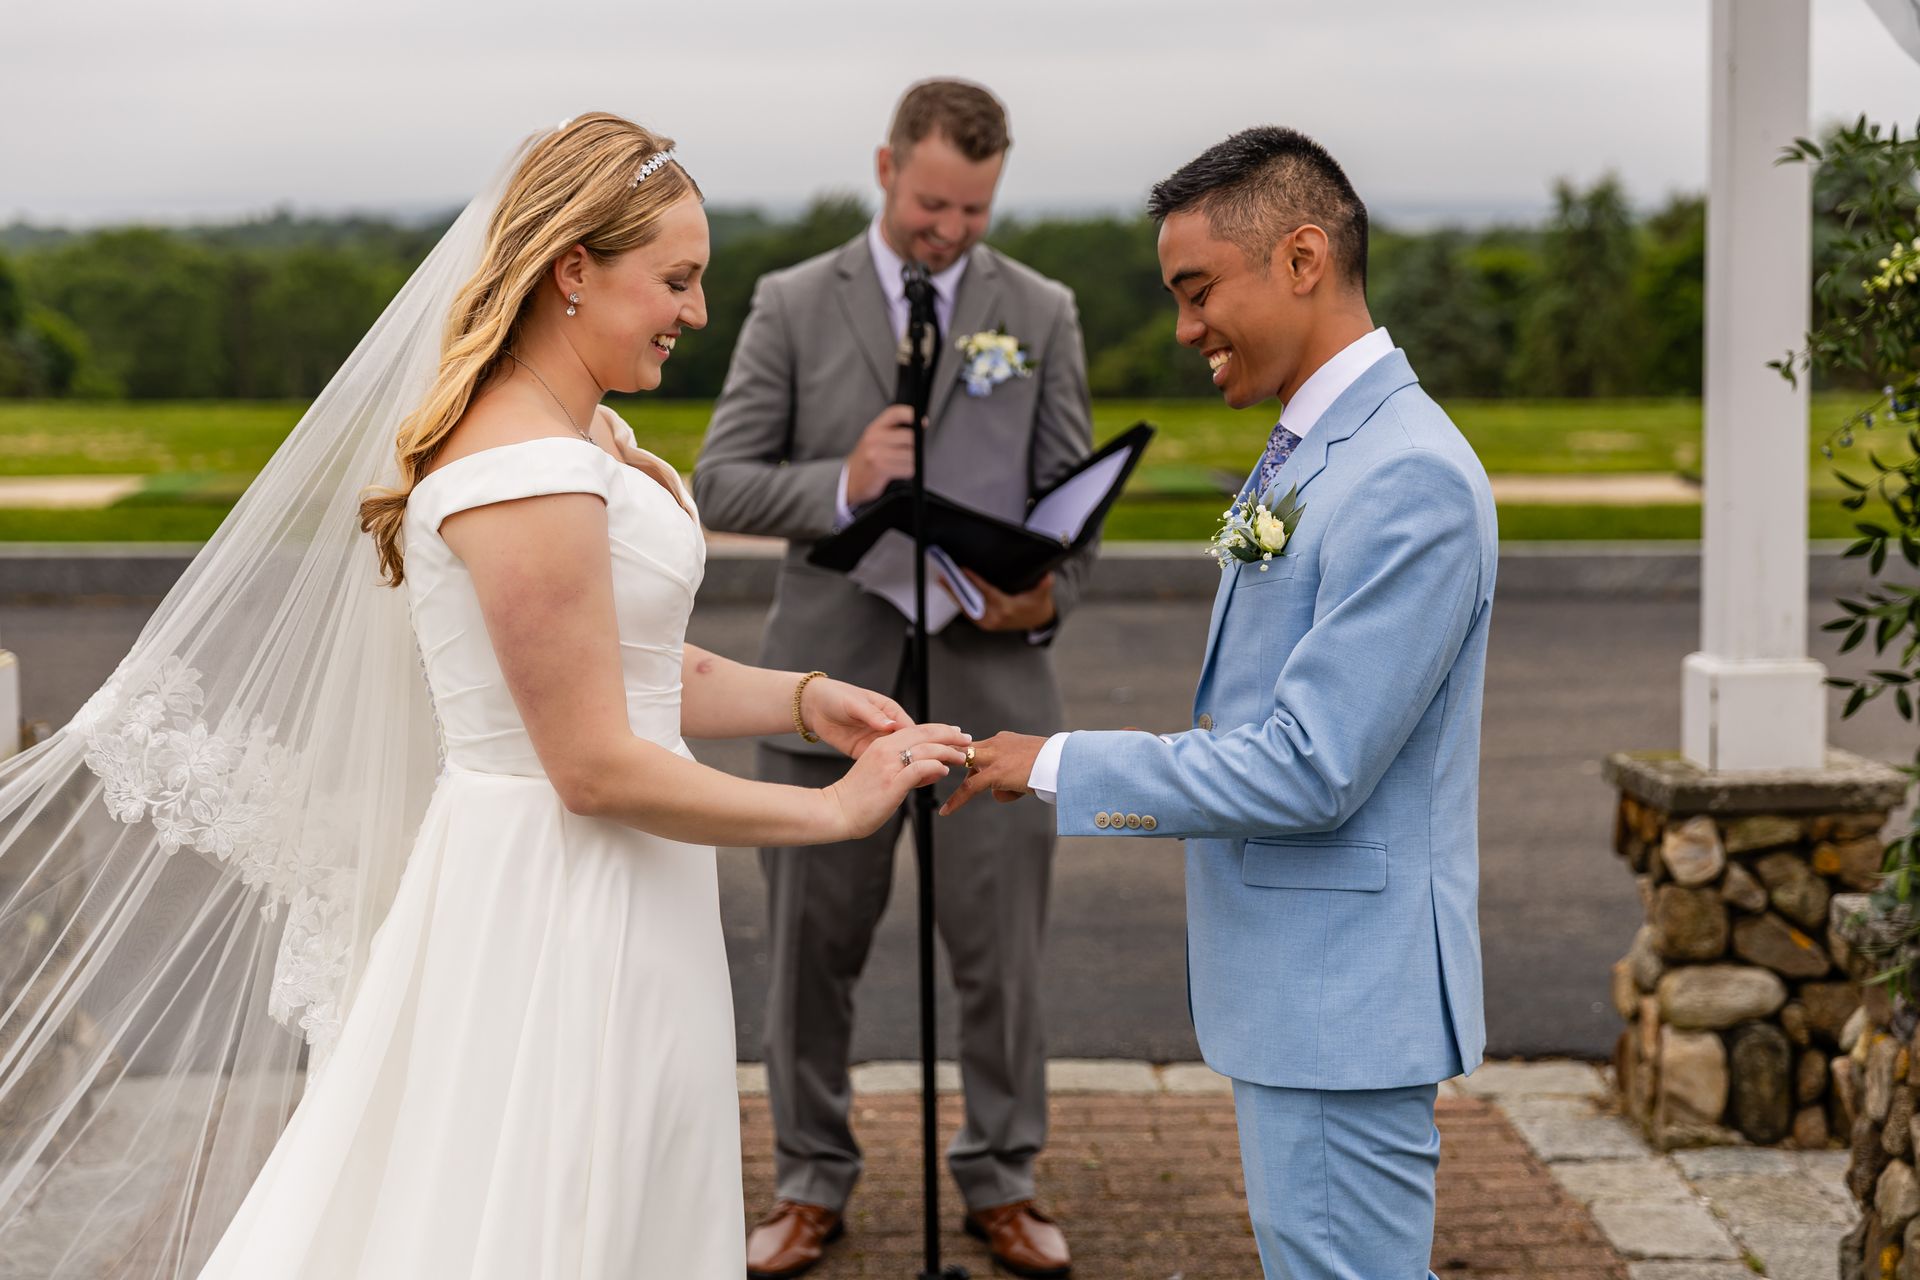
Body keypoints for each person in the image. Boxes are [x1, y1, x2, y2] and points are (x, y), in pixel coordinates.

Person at [0, 113, 966, 1280]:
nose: (695, 312)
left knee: (609, 1185)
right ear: (573, 270)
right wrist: (833, 808)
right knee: (545, 1205)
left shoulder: (577, 436)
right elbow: (593, 762)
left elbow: (640, 670)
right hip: (560, 891)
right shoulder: (525, 466)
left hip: (616, 874)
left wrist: (808, 702)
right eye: (675, 279)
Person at [947, 126, 1498, 1280]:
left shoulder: (1407, 475)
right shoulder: (1318, 445)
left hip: (1345, 993)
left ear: (1302, 258)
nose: (1186, 326)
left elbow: (1309, 764)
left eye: (1198, 291)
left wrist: (1055, 762)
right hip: (1308, 987)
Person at [694, 78, 1091, 1280]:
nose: (951, 231)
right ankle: (811, 1180)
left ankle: (1003, 1179)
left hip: (993, 702)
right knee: (811, 952)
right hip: (830, 691)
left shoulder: (1044, 309)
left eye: (973, 209)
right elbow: (720, 479)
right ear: (885, 168)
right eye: (932, 203)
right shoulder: (790, 301)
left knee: (1000, 956)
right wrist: (846, 483)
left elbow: (1076, 511)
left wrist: (1046, 590)